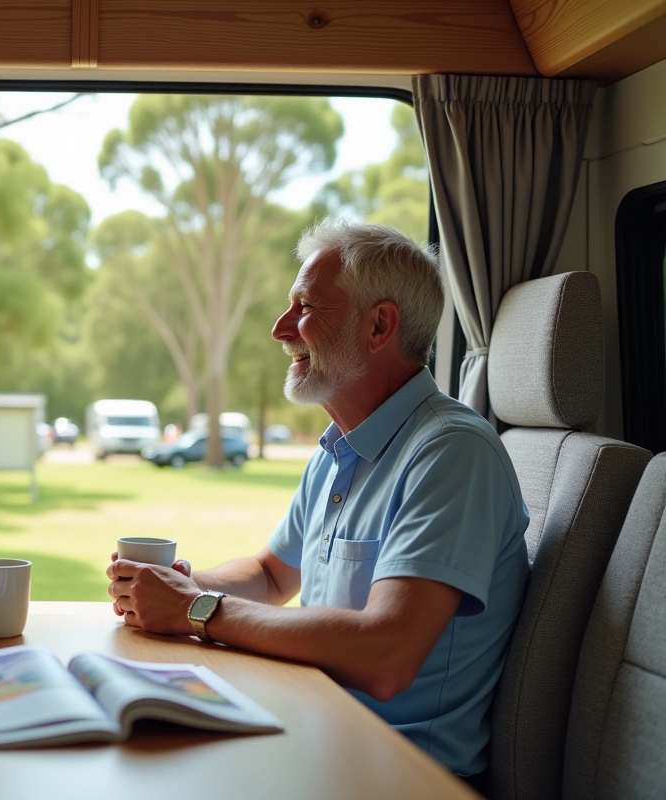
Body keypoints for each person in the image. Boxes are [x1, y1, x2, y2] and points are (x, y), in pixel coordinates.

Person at [107, 218, 529, 781]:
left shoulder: (453, 454)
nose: (281, 329)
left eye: (305, 307)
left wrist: (194, 610)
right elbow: (271, 574)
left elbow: (387, 654)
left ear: (379, 326)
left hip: (394, 775)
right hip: (313, 736)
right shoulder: (337, 451)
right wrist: (183, 584)